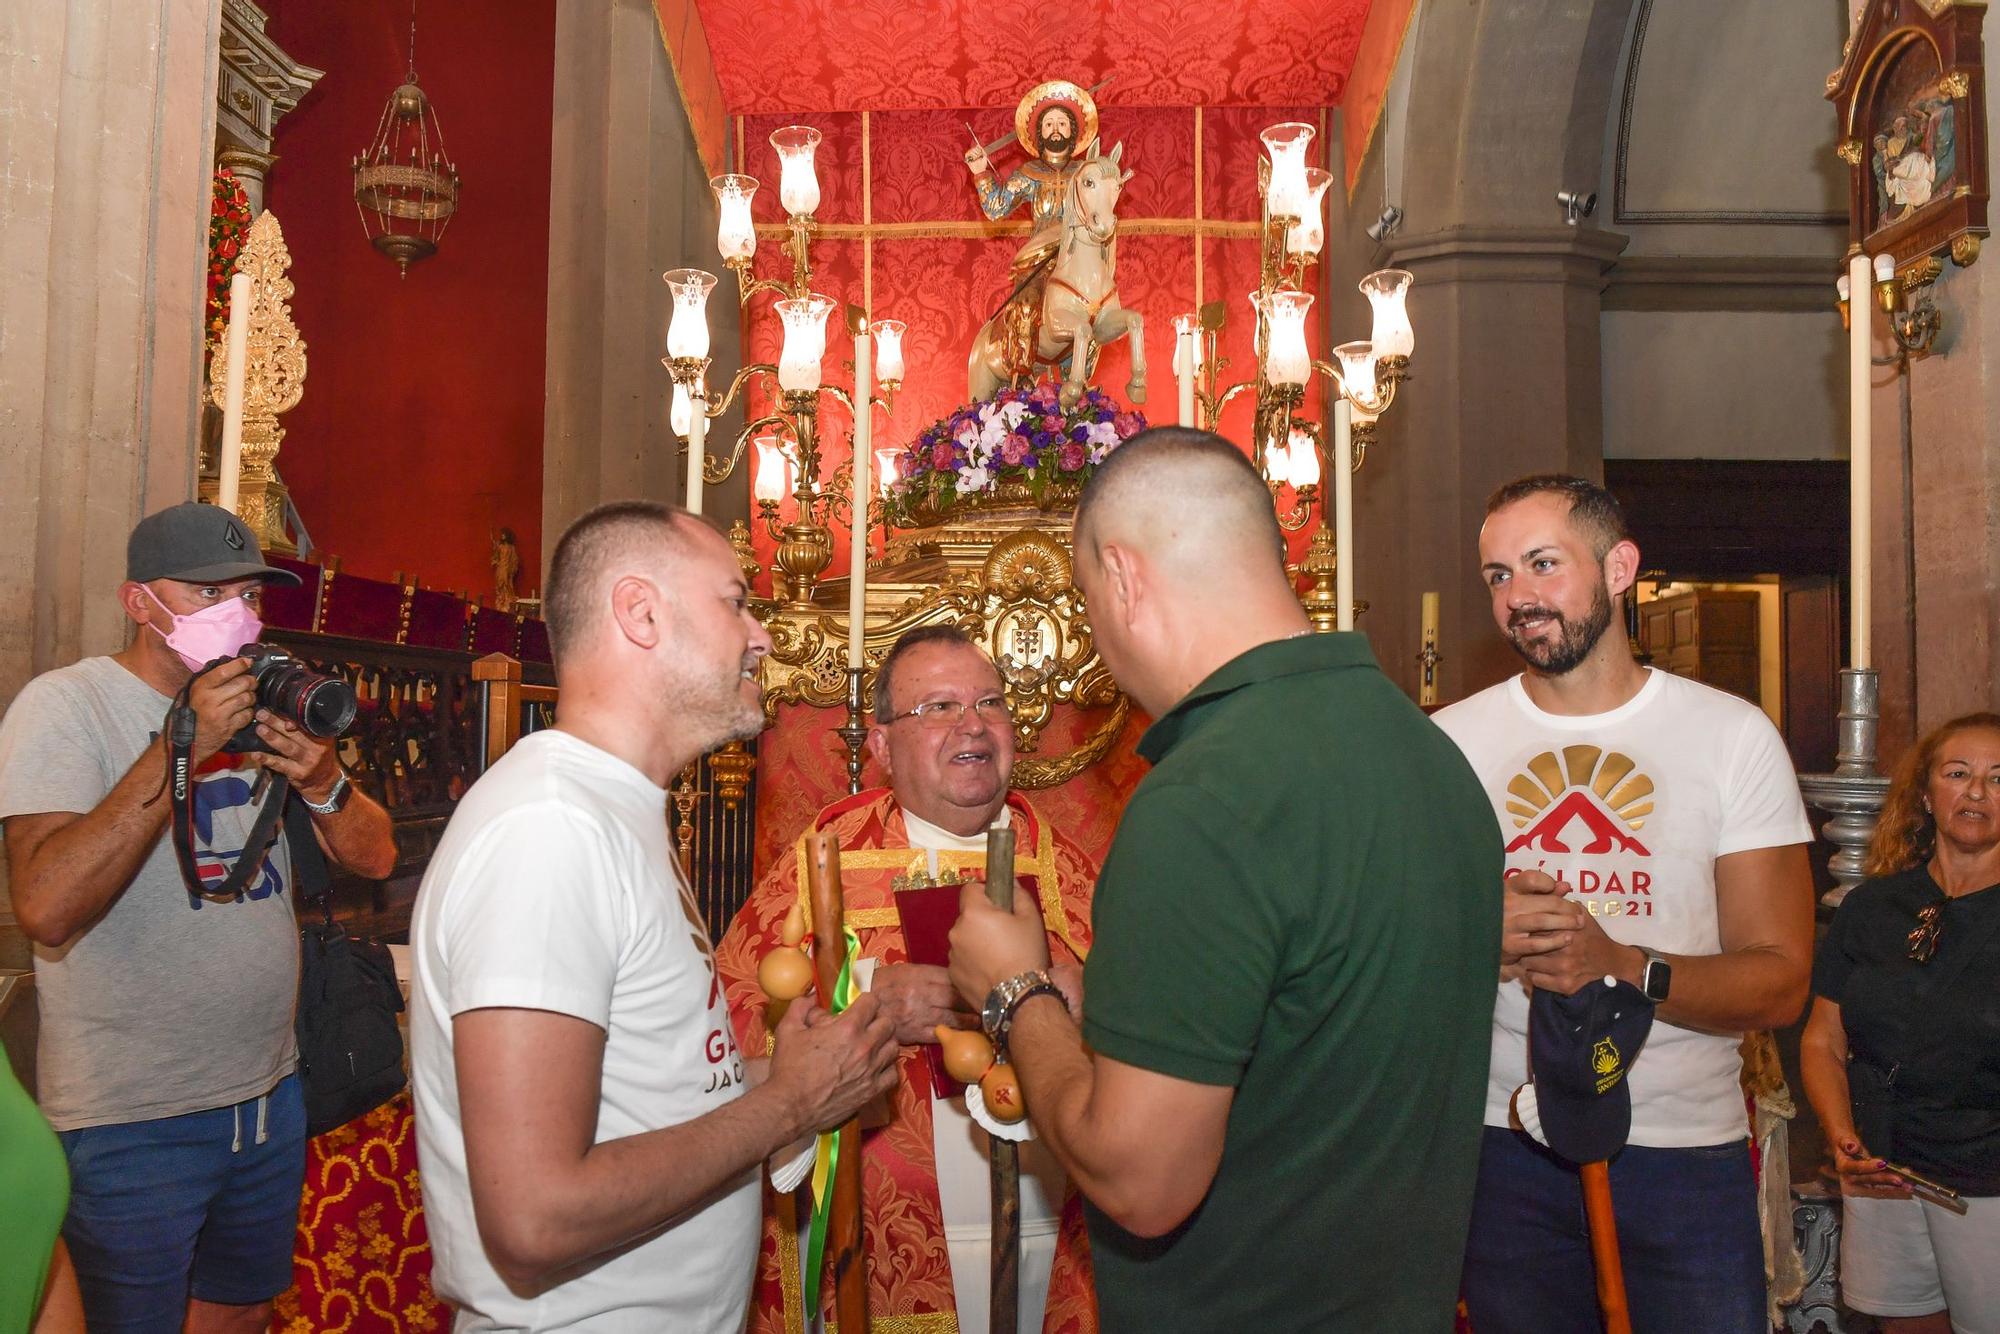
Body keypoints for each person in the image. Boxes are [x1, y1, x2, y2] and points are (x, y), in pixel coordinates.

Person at [949, 427, 1502, 1331]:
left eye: (1089, 606)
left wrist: (1014, 995)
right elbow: (1317, 1038)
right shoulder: (1427, 753)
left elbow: (1142, 1182)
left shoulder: (1205, 799)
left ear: (1123, 578)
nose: (1099, 648)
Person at [408, 501, 901, 1331]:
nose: (763, 635)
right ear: (640, 613)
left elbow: (651, 1095)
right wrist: (789, 1107)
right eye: (736, 600)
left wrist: (793, 1071)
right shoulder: (549, 832)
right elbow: (536, 1216)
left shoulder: (614, 810)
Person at [0, 501, 396, 1334]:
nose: (237, 613)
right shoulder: (66, 707)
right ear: (139, 601)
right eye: (207, 591)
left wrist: (322, 779)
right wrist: (179, 744)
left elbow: (377, 858)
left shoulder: (263, 697)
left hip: (267, 1094)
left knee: (241, 1312)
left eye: (249, 592)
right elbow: (44, 905)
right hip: (132, 1118)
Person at [1433, 474, 1815, 1333]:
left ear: (1619, 567)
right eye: (1497, 576)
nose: (1518, 598)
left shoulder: (1729, 736)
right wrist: (1471, 941)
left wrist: (1620, 964)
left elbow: (1780, 982)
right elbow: (1388, 955)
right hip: (1503, 1144)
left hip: (1680, 1150)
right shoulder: (1447, 744)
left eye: (1542, 564)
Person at [715, 624, 1103, 1334]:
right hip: (878, 1241)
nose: (973, 725)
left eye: (989, 703)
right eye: (939, 708)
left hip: (1053, 1217)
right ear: (884, 747)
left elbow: (1166, 1029)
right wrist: (867, 1002)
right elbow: (730, 1018)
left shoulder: (1069, 870)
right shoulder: (822, 863)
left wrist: (1084, 999)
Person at [1801, 712, 2000, 1332]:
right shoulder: (1870, 907)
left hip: (1987, 1183)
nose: (1976, 793)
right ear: (1924, 793)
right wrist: (1842, 1141)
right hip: (1882, 1172)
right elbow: (1822, 1040)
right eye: (1958, 773)